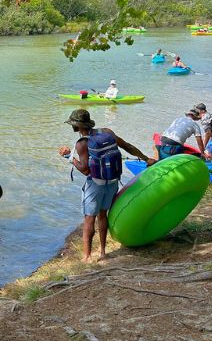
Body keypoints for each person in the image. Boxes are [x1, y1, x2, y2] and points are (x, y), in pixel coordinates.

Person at [58, 110, 153, 262]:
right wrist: (146, 158)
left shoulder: (82, 143)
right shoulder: (108, 132)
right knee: (103, 215)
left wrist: (69, 157)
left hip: (95, 184)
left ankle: (87, 257)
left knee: (89, 219)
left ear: (76, 126)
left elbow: (85, 170)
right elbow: (127, 146)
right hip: (112, 181)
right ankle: (103, 252)